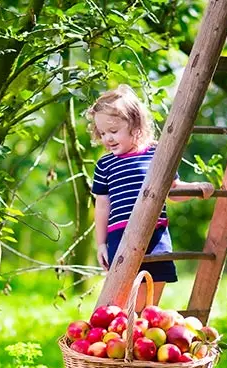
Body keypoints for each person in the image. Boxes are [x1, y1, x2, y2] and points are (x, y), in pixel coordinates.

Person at [87, 84, 214, 312]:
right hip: (120, 235)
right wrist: (101, 244)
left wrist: (195, 188)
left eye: (113, 131)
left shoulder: (156, 153)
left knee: (150, 300)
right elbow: (102, 206)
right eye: (102, 133)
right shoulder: (104, 165)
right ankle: (125, 337)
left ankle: (143, 336)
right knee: (124, 298)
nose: (107, 138)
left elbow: (173, 190)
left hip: (156, 235)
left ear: (135, 126)